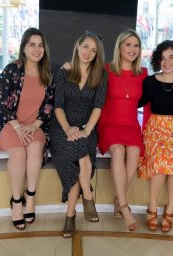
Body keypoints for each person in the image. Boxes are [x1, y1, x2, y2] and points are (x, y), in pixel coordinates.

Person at [0, 28, 54, 230]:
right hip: (9, 124)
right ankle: (16, 201)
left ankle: (30, 197)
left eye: (40, 45)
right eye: (32, 45)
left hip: (33, 125)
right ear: (24, 47)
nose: (37, 49)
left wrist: (34, 125)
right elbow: (2, 103)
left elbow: (49, 106)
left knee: (35, 148)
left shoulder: (47, 74)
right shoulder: (12, 70)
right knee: (19, 152)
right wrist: (18, 127)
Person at [50, 31, 107, 238]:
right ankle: (88, 197)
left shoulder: (100, 75)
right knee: (80, 156)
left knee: (79, 155)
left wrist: (86, 130)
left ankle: (70, 216)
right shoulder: (64, 73)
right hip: (61, 129)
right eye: (86, 47)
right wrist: (68, 129)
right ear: (77, 46)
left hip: (87, 128)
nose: (88, 52)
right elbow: (58, 106)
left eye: (94, 50)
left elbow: (98, 107)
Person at [138, 40, 173, 233]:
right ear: (157, 61)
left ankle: (170, 210)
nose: (167, 62)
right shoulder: (150, 82)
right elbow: (137, 102)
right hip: (156, 128)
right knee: (159, 169)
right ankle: (152, 208)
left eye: (171, 57)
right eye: (162, 58)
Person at [97, 29, 147, 231]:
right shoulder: (106, 69)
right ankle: (125, 207)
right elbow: (82, 74)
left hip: (131, 123)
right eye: (128, 44)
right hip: (109, 122)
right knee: (118, 150)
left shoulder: (143, 73)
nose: (132, 49)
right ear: (119, 47)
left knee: (134, 151)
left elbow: (150, 102)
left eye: (136, 45)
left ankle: (119, 199)